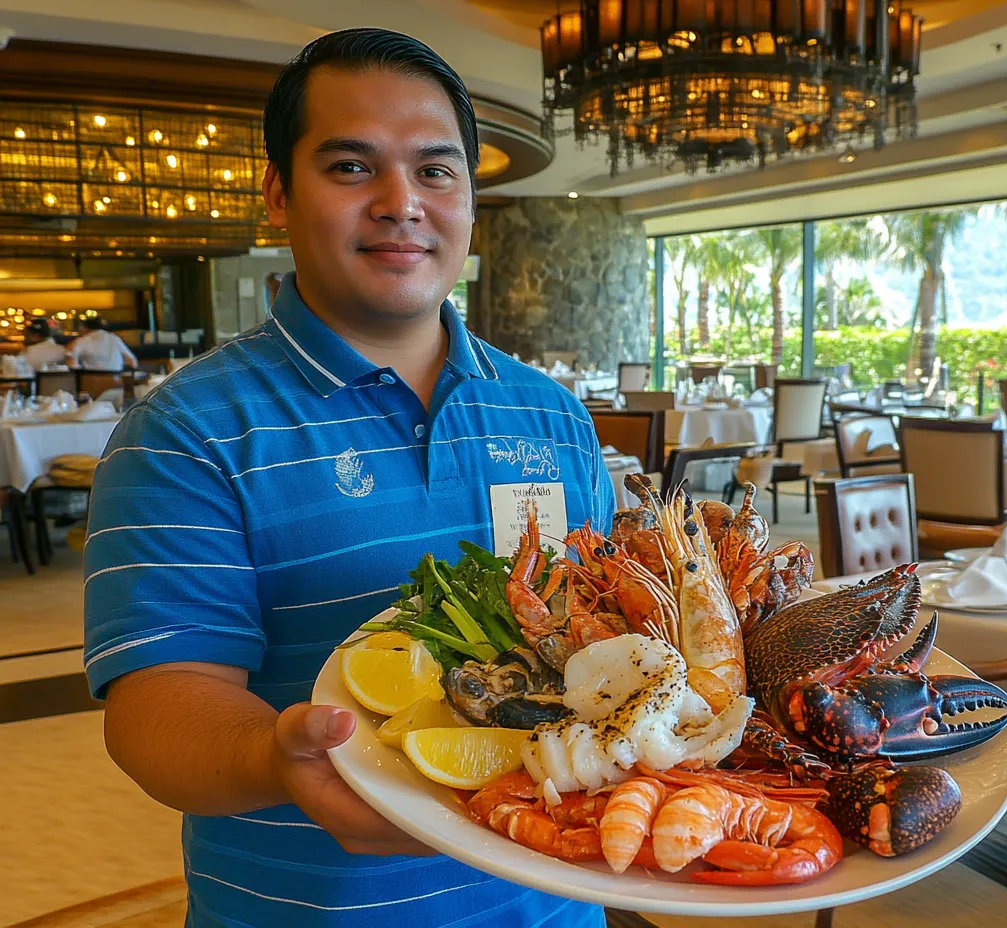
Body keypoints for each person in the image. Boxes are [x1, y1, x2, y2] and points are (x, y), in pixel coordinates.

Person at [85, 29, 612, 928]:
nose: (402, 203)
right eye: (351, 166)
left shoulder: (551, 413)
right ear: (279, 194)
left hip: (555, 907)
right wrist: (274, 754)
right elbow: (155, 709)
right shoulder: (182, 432)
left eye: (437, 171)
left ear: (471, 201)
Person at [68, 315, 138, 371]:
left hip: (91, 382)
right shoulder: (114, 338)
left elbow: (72, 364)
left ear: (85, 328)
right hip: (116, 382)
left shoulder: (81, 341)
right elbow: (132, 362)